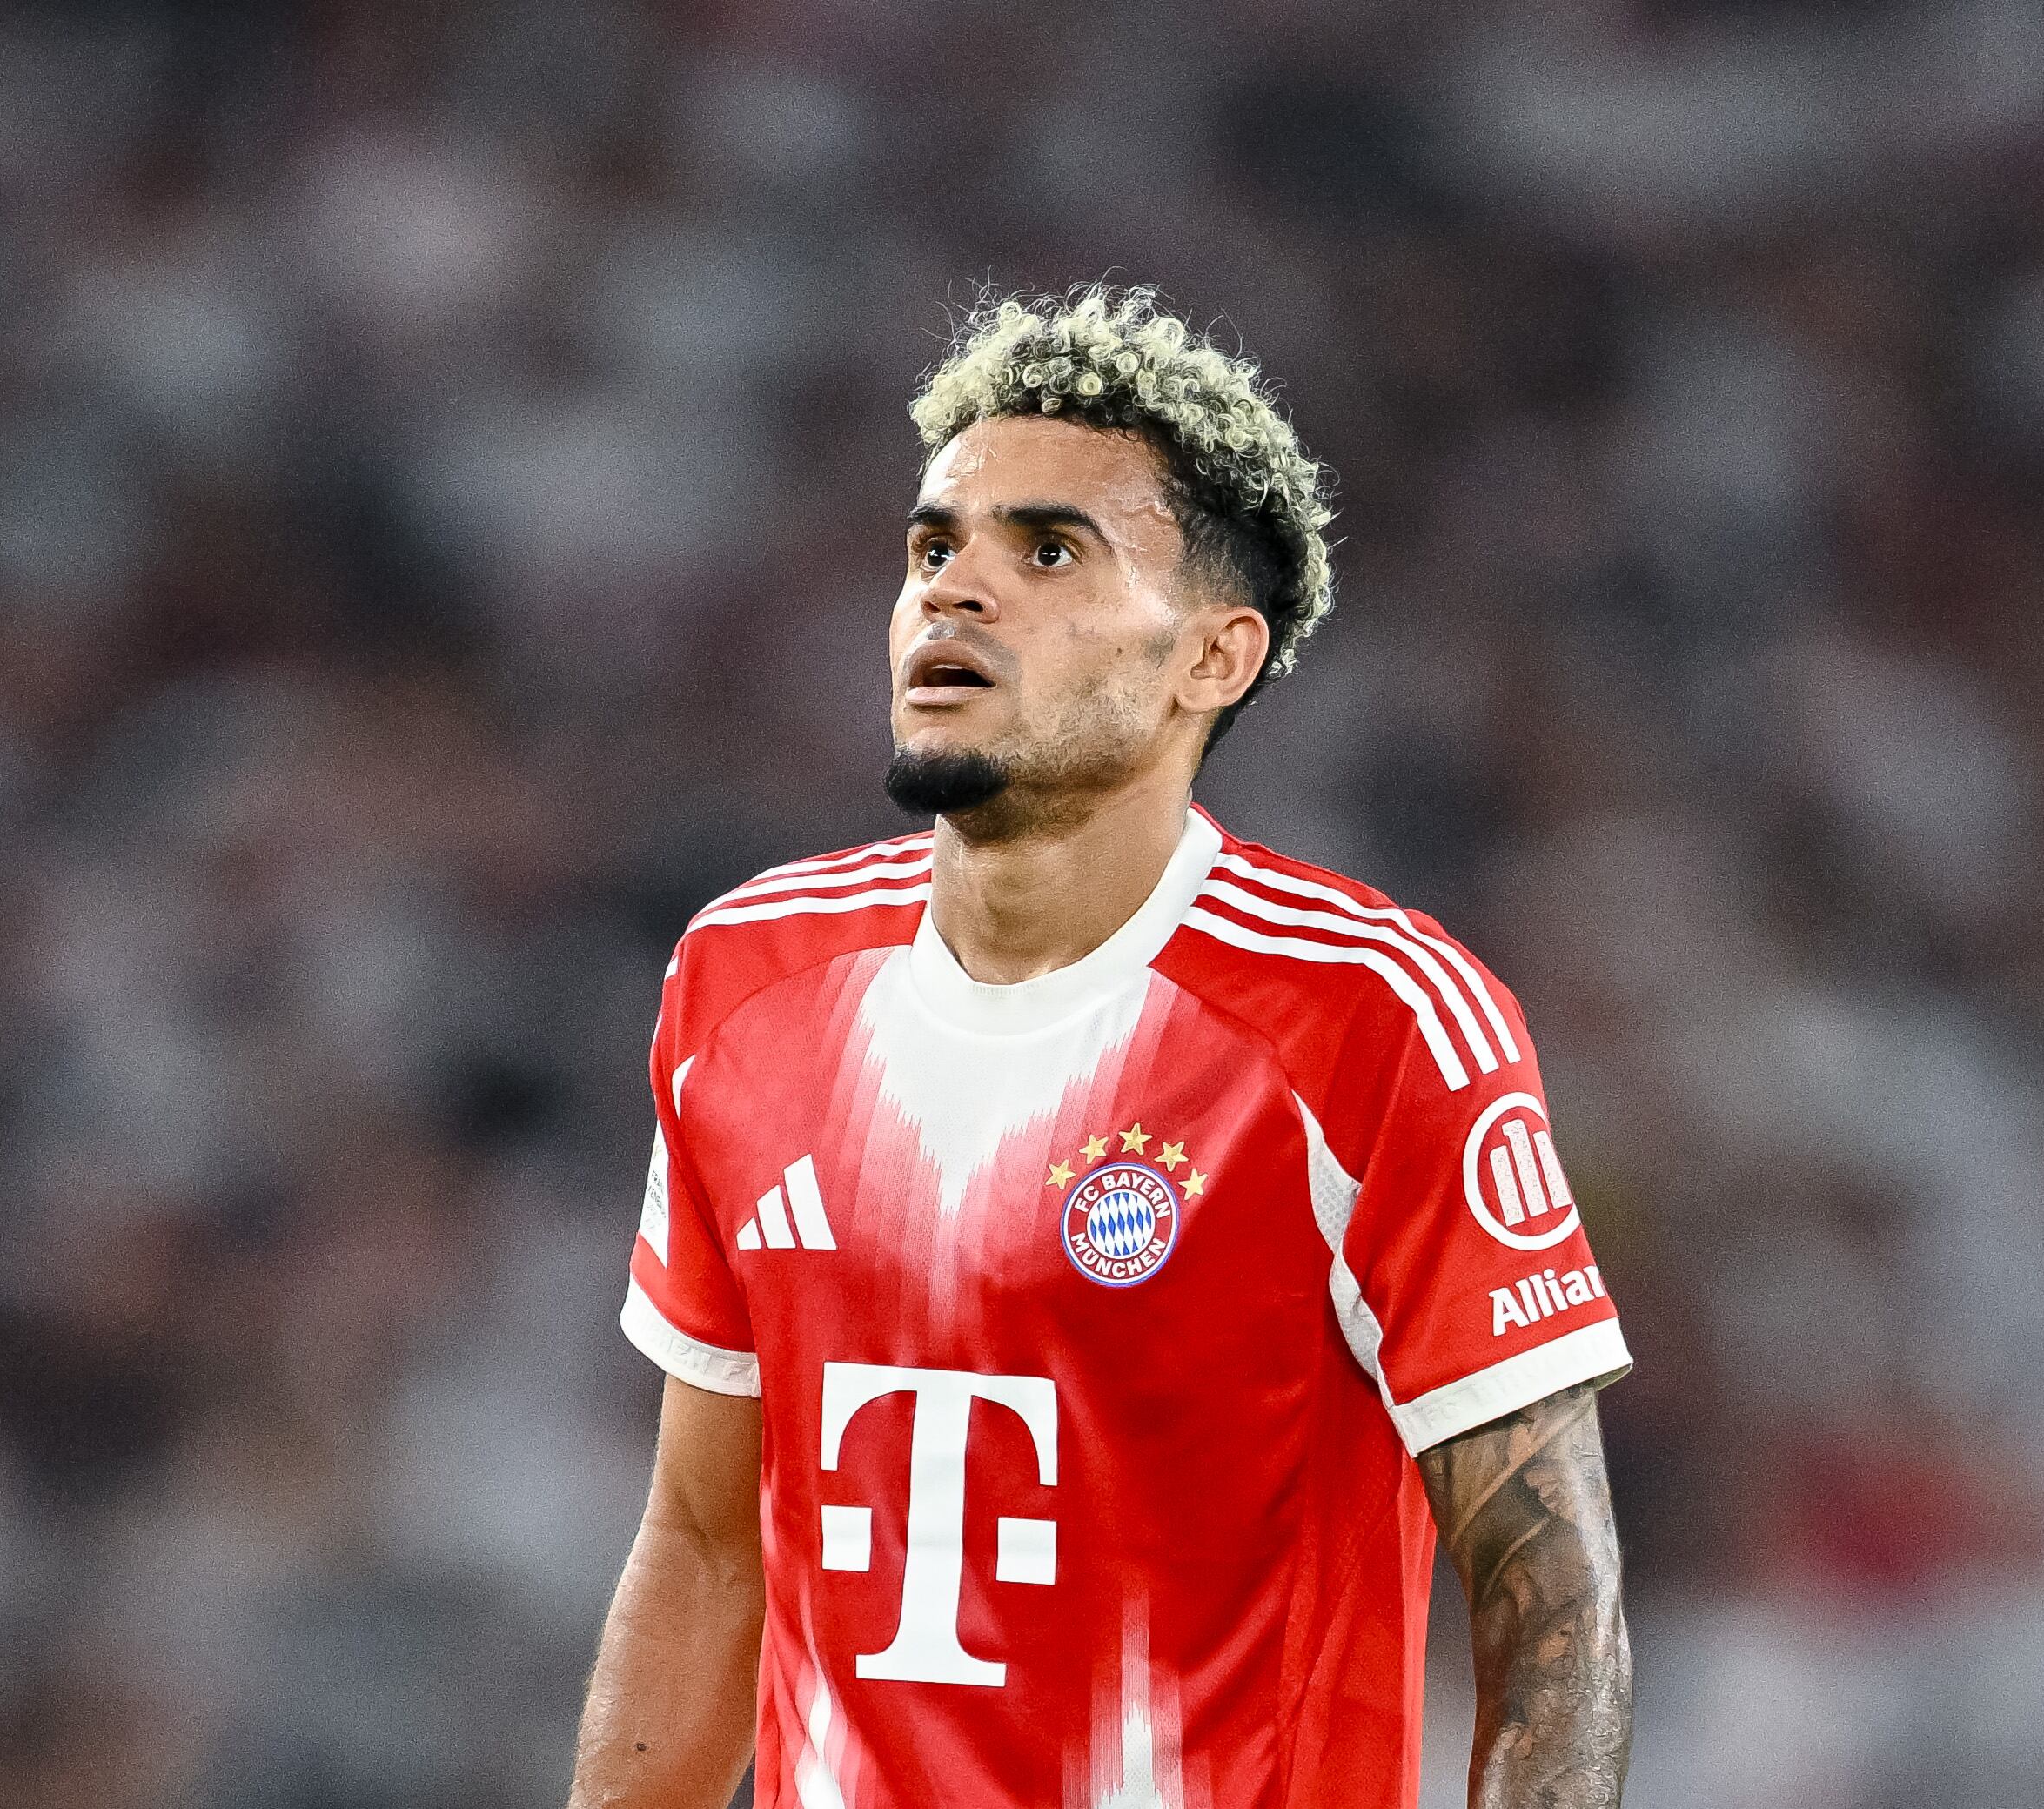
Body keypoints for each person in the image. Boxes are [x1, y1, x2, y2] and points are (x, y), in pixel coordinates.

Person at [568, 288, 1632, 1809]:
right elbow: (704, 1546)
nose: (955, 593)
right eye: (934, 548)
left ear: (1211, 656)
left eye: (1047, 552)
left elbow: (1554, 1615)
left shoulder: (1373, 1020)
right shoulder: (743, 980)